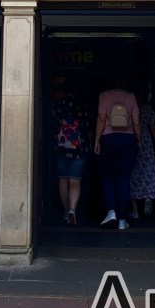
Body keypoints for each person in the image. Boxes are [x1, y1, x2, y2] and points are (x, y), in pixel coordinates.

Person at [93, 78, 141, 230]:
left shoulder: (104, 95)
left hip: (108, 138)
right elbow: (136, 121)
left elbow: (101, 118)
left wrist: (97, 140)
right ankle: (122, 220)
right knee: (124, 179)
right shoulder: (131, 97)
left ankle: (111, 211)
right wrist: (138, 140)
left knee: (108, 176)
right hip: (127, 139)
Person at [50, 80, 87, 225]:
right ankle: (73, 209)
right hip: (79, 149)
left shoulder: (58, 104)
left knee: (63, 180)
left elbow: (52, 124)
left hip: (61, 148)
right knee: (75, 181)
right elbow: (86, 126)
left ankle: (65, 212)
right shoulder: (81, 104)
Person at [129, 95, 155, 219]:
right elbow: (153, 128)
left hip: (132, 141)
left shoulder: (129, 107)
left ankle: (135, 210)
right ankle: (148, 197)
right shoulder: (147, 108)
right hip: (146, 143)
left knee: (132, 174)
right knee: (148, 171)